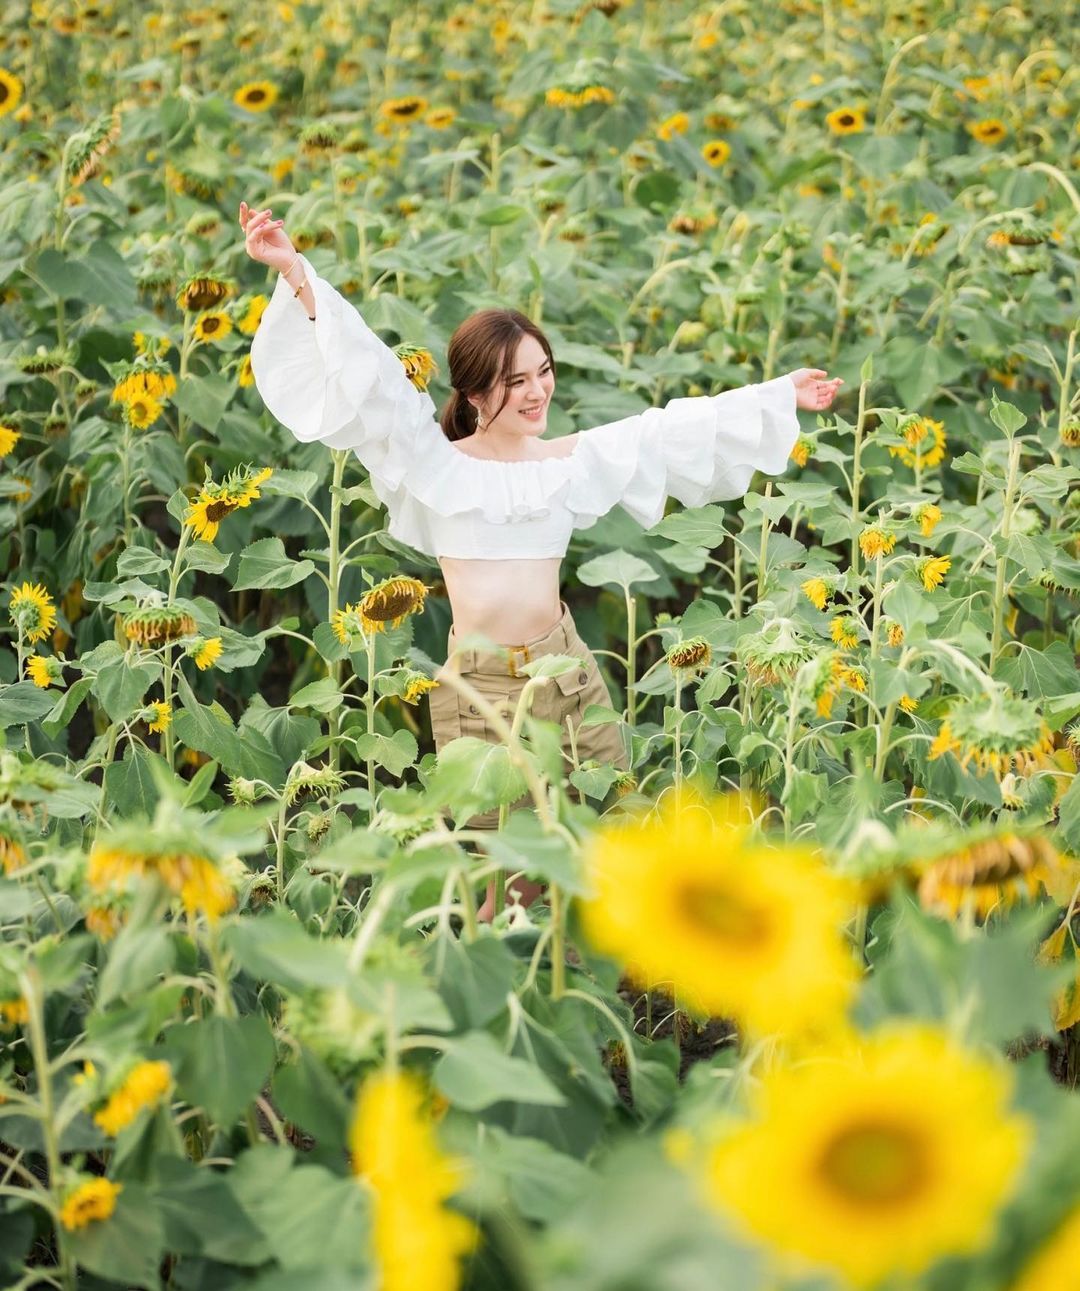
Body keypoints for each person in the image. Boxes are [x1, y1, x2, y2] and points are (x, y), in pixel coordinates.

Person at [240, 200, 843, 917]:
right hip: (483, 693)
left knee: (608, 841)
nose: (537, 392)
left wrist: (781, 396)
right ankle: (501, 1009)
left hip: (568, 674)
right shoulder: (439, 466)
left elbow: (671, 431)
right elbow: (367, 369)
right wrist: (295, 270)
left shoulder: (566, 463)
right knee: (505, 882)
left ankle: (606, 1001)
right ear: (473, 391)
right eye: (516, 380)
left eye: (543, 373)